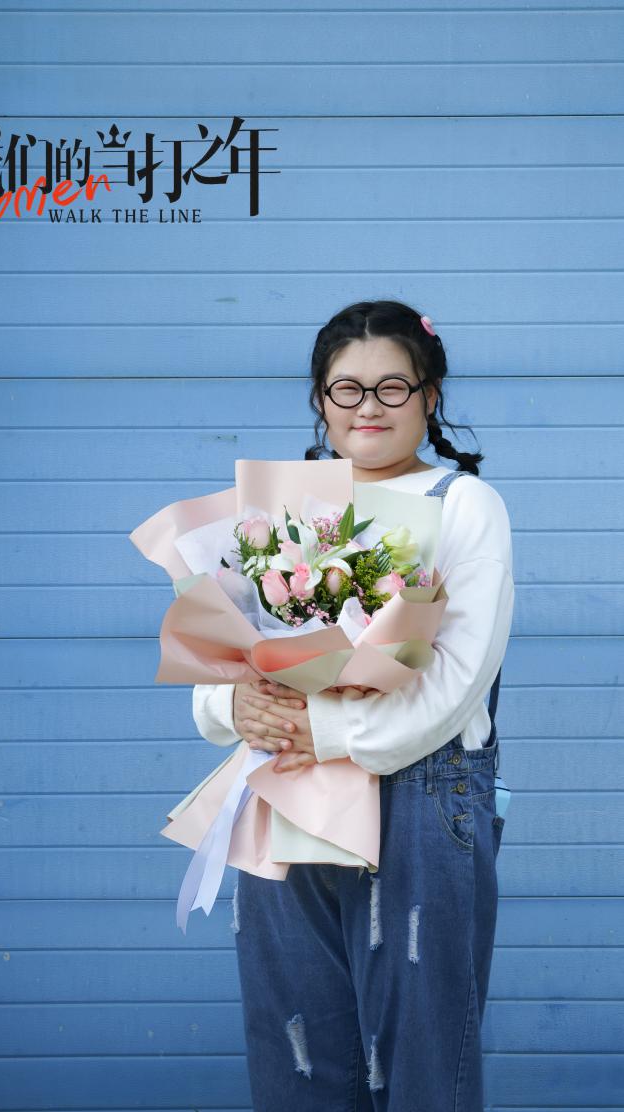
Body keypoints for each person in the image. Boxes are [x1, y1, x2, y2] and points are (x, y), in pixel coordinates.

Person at [192, 299, 515, 1111]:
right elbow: (220, 651)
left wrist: (327, 725)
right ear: (321, 399)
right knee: (297, 1047)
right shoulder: (280, 513)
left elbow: (457, 679)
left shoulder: (463, 504)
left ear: (430, 395)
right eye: (347, 388)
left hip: (419, 792)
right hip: (288, 784)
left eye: (392, 386)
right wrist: (235, 708)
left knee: (422, 1053)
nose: (368, 406)